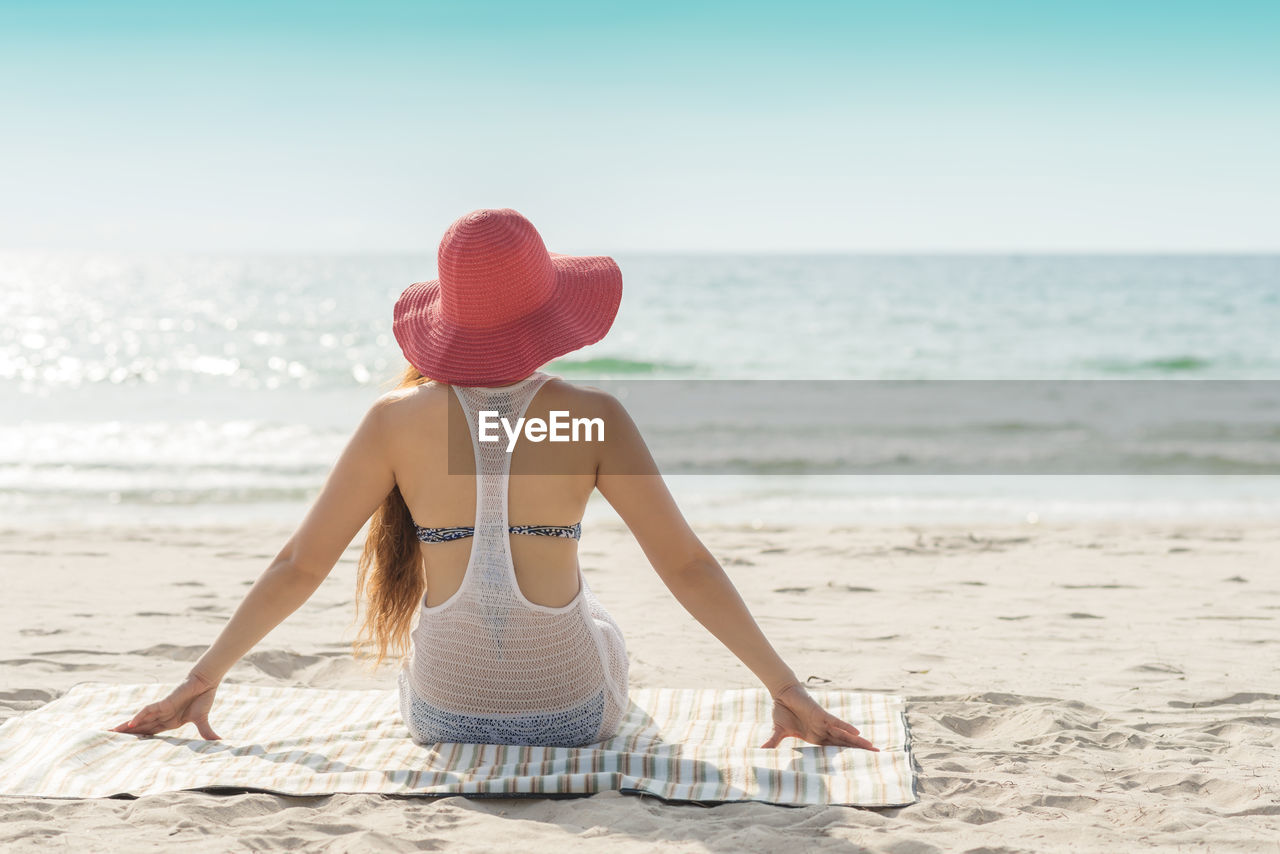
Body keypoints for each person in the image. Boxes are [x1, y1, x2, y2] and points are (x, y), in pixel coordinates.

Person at [112, 208, 879, 753]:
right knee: (599, 617)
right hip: (574, 713)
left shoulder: (393, 421)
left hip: (445, 714)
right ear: (549, 312)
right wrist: (787, 689)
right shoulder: (591, 417)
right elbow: (687, 566)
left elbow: (298, 567)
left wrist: (200, 678)